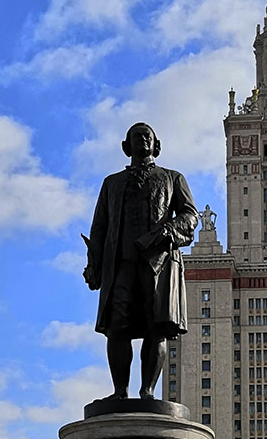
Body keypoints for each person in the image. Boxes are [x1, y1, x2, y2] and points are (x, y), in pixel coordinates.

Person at [83, 122, 198, 400]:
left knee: (155, 326)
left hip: (157, 263)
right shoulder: (111, 183)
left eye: (147, 136)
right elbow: (99, 227)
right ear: (127, 145)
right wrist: (94, 264)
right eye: (137, 136)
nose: (143, 139)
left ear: (155, 144)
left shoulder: (173, 178)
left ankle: (147, 391)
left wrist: (167, 231)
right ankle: (119, 391)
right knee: (117, 326)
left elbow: (190, 216)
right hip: (120, 264)